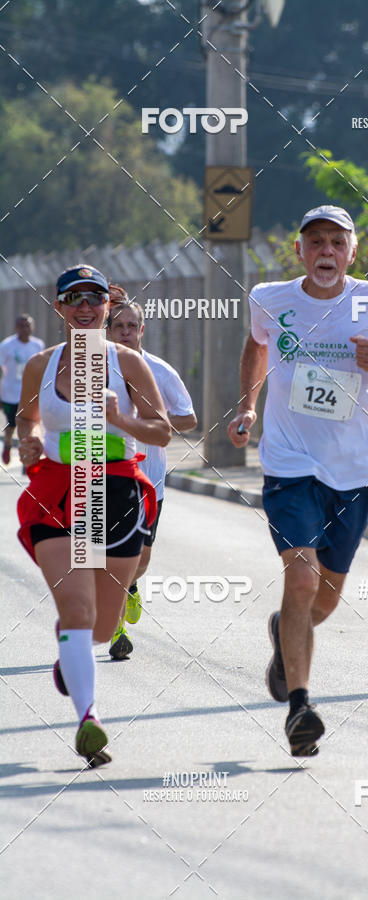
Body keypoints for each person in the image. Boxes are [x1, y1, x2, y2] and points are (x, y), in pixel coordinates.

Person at [227, 205, 368, 757]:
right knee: (303, 579)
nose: (326, 252)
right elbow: (258, 343)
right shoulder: (270, 298)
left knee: (324, 600)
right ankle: (300, 708)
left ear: (352, 253)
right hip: (290, 465)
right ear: (300, 252)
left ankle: (283, 636)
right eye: (316, 242)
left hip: (354, 470)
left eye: (337, 243)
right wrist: (247, 405)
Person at [16, 264, 170, 766]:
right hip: (60, 488)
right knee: (76, 611)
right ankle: (89, 718)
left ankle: (74, 655)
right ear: (59, 308)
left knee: (102, 627)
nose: (84, 307)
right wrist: (30, 442)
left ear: (108, 306)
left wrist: (119, 418)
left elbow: (162, 431)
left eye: (94, 299)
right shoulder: (41, 364)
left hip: (118, 486)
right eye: (74, 298)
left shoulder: (127, 363)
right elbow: (27, 417)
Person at [105, 287, 197, 659]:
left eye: (132, 326)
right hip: (108, 477)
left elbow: (189, 419)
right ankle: (116, 631)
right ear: (108, 330)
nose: (126, 331)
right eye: (119, 325)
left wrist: (150, 420)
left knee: (140, 560)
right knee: (109, 557)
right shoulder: (97, 370)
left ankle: (130, 588)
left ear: (142, 331)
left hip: (150, 480)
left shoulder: (160, 371)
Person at [0, 315, 45, 465]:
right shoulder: (7, 346)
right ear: (16, 328)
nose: (25, 329)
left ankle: (27, 457)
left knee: (29, 422)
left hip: (31, 392)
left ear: (32, 327)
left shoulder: (38, 345)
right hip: (11, 393)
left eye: (28, 326)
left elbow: (41, 370)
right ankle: (7, 444)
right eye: (21, 326)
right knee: (12, 424)